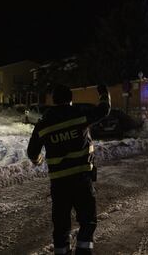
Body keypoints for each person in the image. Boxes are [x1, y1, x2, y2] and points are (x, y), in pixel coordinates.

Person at [27, 84, 110, 255]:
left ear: (53, 100)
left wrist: (39, 160)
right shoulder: (80, 114)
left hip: (59, 184)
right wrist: (104, 94)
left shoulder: (44, 123)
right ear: (70, 99)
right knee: (87, 221)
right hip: (82, 180)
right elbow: (103, 110)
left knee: (61, 225)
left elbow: (32, 152)